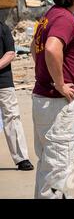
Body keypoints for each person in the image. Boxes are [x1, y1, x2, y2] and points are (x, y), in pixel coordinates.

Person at [31, 0, 74, 199]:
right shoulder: (64, 18)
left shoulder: (50, 14)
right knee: (59, 166)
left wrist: (45, 75)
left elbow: (35, 47)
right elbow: (52, 49)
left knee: (48, 163)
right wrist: (60, 83)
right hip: (57, 103)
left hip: (44, 98)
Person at [0, 20, 34, 171]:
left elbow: (10, 53)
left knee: (12, 117)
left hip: (3, 82)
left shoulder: (3, 28)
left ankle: (22, 159)